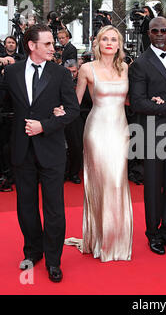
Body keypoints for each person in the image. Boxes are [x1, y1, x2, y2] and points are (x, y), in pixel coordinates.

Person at [0, 24, 80, 282]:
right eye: (47, 44)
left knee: (54, 208)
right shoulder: (11, 72)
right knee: (26, 207)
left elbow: (73, 111)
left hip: (52, 151)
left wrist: (45, 125)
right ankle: (33, 251)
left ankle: (54, 260)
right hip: (22, 151)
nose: (53, 48)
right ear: (32, 45)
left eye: (53, 43)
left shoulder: (60, 74)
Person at [57, 25, 133, 262]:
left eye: (113, 39)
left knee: (118, 181)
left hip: (120, 131)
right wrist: (59, 110)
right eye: (104, 39)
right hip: (97, 132)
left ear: (119, 44)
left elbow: (129, 100)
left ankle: (117, 239)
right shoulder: (87, 69)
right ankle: (101, 240)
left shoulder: (125, 68)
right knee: (102, 183)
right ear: (98, 44)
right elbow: (76, 101)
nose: (109, 43)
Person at [128, 17, 166, 255]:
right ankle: (153, 234)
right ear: (149, 34)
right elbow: (137, 102)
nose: (160, 34)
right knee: (153, 186)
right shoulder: (140, 63)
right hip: (152, 133)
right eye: (155, 31)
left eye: (164, 30)